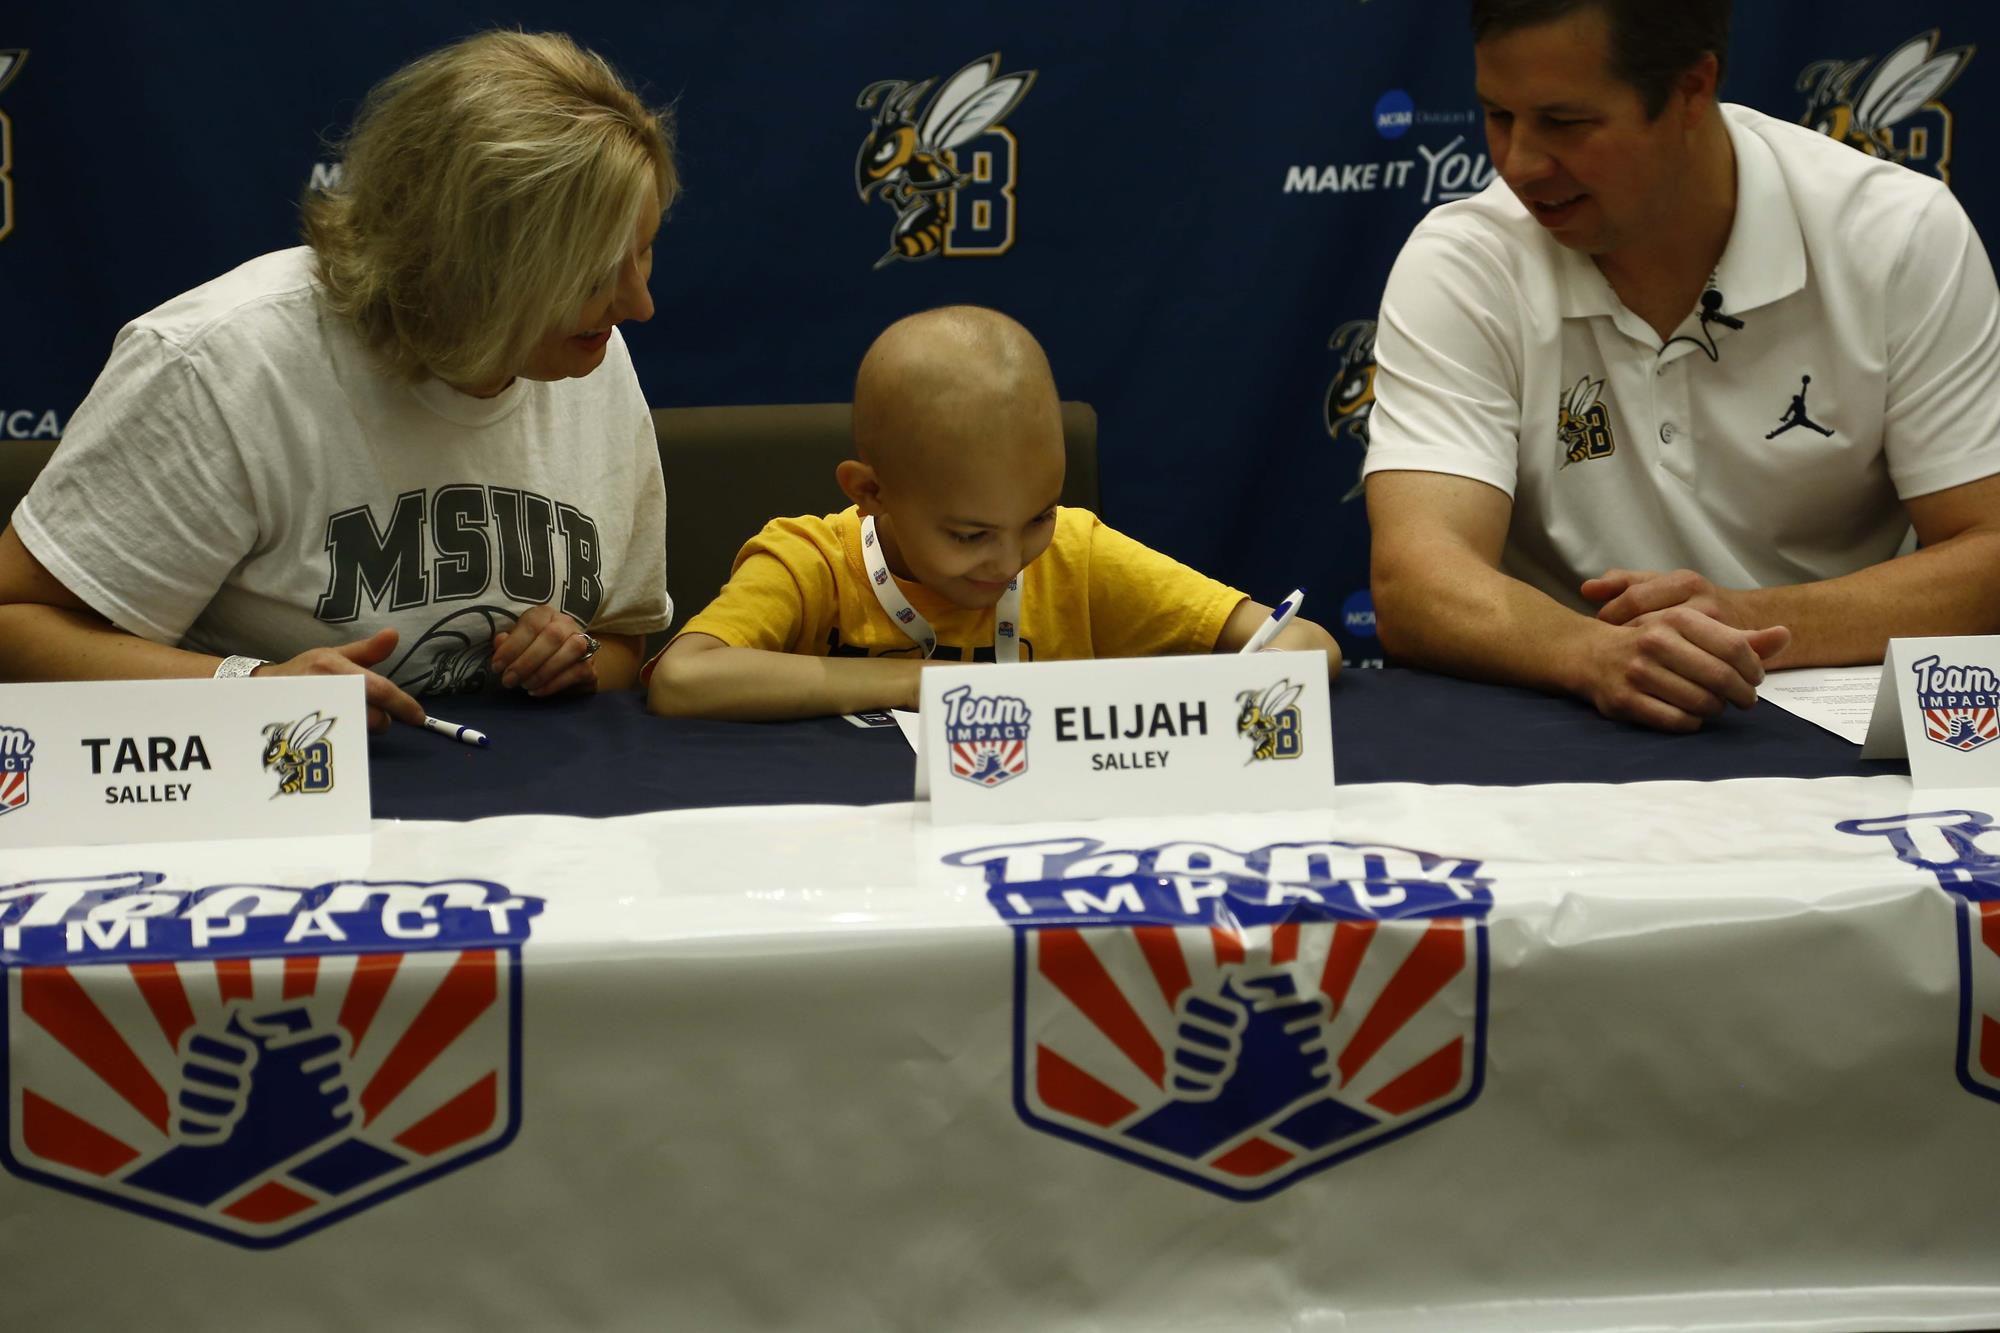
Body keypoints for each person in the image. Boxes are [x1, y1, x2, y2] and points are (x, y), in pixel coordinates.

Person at [0, 30, 675, 730]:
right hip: (254, 803)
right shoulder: (222, 363)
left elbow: (625, 639)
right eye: (592, 275)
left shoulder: (584, 352)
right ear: (471, 266)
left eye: (644, 251)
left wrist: (575, 658)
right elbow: (13, 625)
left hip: (506, 812)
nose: (637, 305)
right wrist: (253, 689)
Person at [1362, 0, 2000, 732]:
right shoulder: (1465, 263)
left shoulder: (1895, 235)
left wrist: (1749, 623)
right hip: (1558, 719)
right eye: (1498, 116)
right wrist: (1595, 653)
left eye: (1566, 123)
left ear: (1693, 90)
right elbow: (1416, 580)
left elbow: (1987, 553)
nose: (1520, 165)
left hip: (1831, 727)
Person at [647, 306, 1339, 720]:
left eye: (1038, 516)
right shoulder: (812, 562)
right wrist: (927, 685)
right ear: (871, 491)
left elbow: (1309, 645)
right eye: (970, 535)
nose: (1010, 562)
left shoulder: (1076, 553)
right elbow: (684, 677)